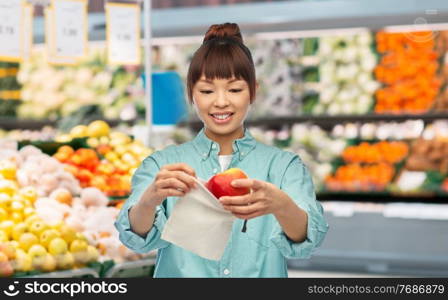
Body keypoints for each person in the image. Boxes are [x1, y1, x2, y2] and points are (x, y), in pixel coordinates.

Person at [115, 23, 329, 278]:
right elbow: (136, 239)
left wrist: (281, 205)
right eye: (206, 90)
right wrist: (150, 199)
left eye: (235, 89)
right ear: (191, 94)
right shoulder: (162, 165)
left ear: (253, 92)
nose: (221, 102)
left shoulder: (283, 167)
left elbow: (308, 242)